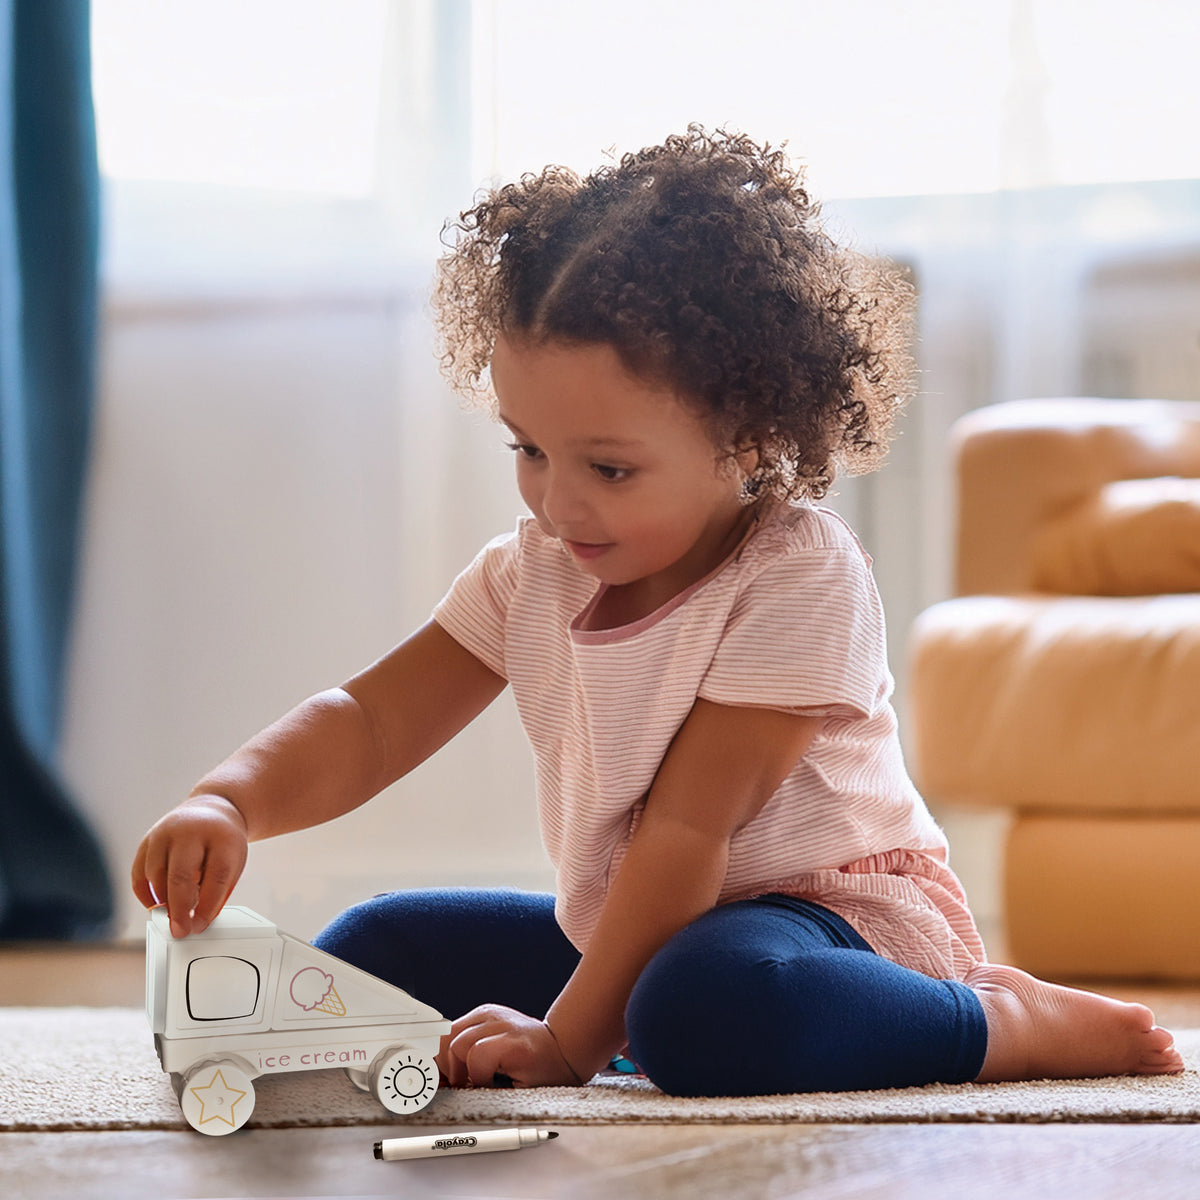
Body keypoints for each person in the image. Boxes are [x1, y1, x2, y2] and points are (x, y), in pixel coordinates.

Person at [131, 127, 1183, 1097]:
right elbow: (371, 721)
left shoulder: (797, 575)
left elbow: (690, 832)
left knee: (703, 1012)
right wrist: (232, 800)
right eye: (528, 449)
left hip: (834, 927)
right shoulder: (534, 570)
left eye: (610, 467)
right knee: (374, 946)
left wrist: (566, 1041)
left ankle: (997, 1019)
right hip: (647, 926)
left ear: (748, 435)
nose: (557, 499)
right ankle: (630, 1014)